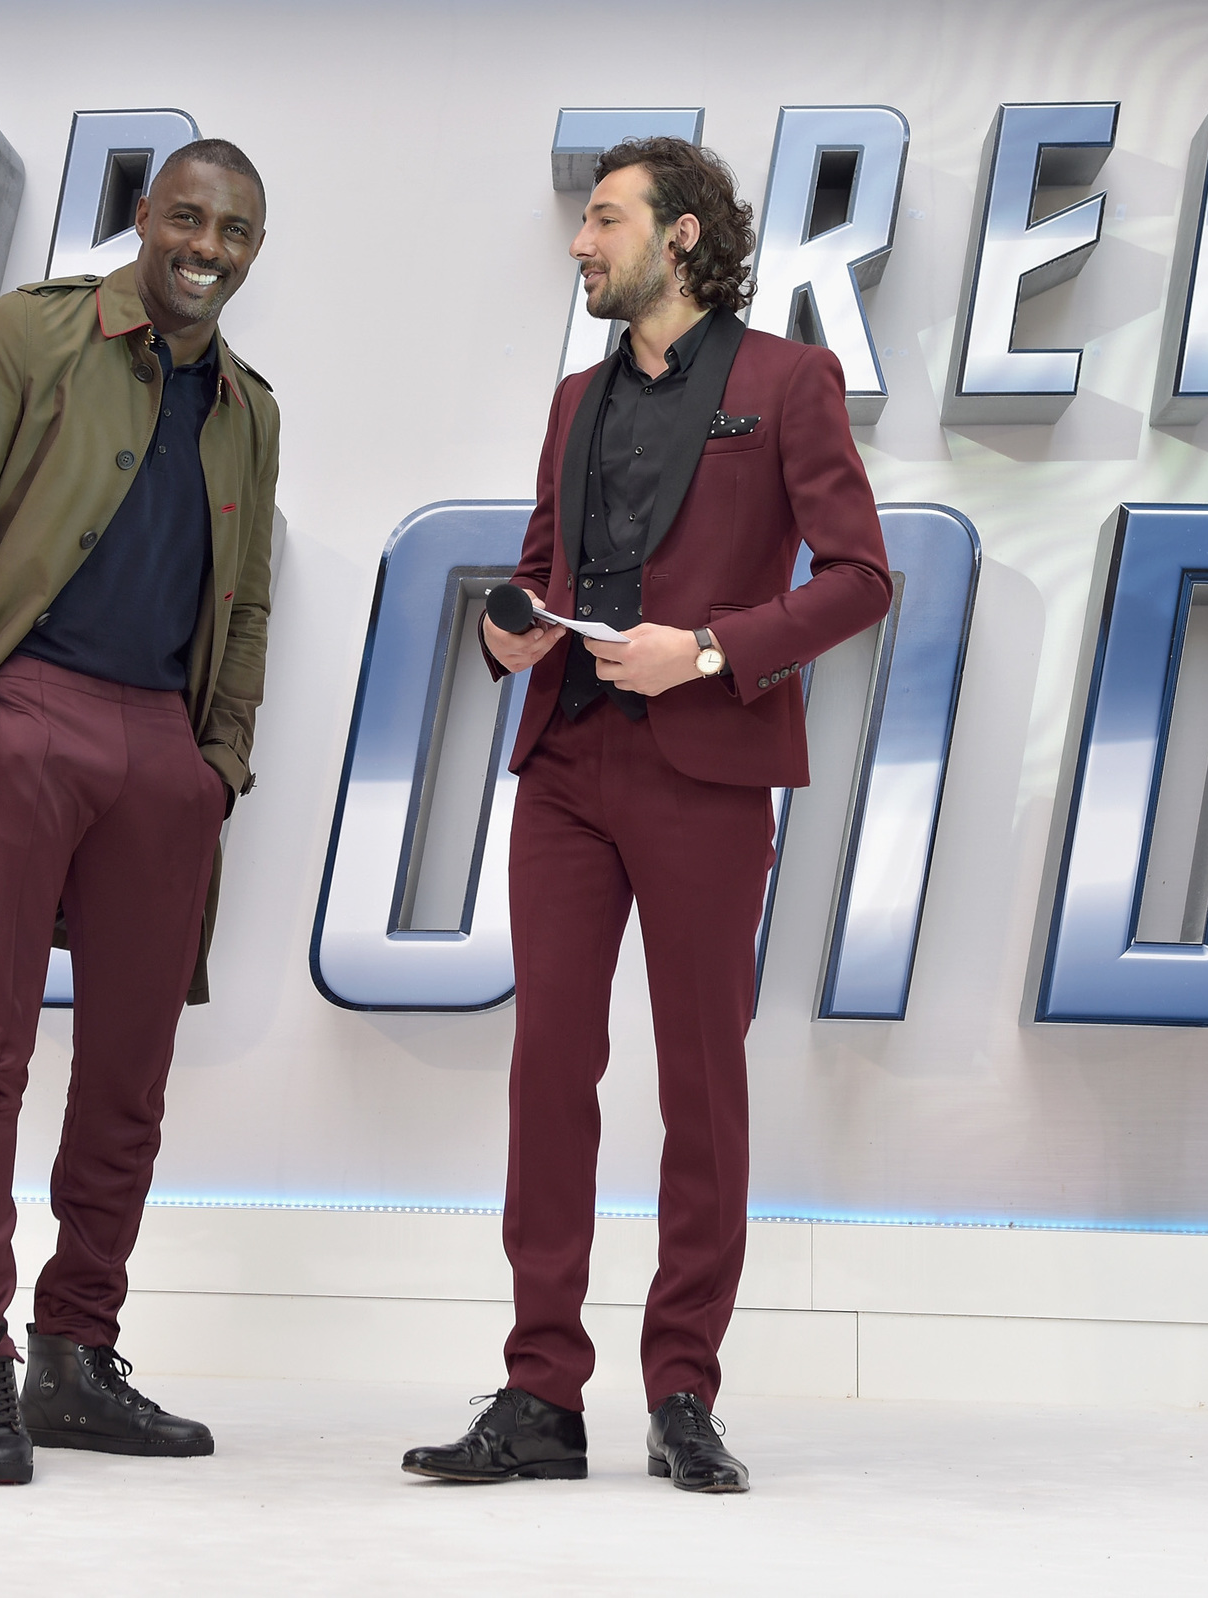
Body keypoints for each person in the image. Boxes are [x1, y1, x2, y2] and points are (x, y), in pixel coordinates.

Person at [400, 137, 890, 1494]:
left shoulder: (789, 383)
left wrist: (716, 648)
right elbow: (545, 571)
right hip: (566, 765)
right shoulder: (574, 401)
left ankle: (682, 1387)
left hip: (707, 773)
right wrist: (514, 627)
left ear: (680, 237)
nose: (580, 242)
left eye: (604, 219)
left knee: (701, 1084)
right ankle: (541, 1392)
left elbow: (860, 578)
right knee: (549, 1066)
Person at [0, 139, 278, 1487]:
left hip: (163, 755)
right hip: (28, 717)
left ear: (256, 251)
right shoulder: (37, 335)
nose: (209, 245)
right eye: (189, 217)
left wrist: (221, 760)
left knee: (131, 1076)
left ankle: (77, 1355)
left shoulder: (252, 406)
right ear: (145, 220)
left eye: (238, 231)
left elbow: (245, 600)